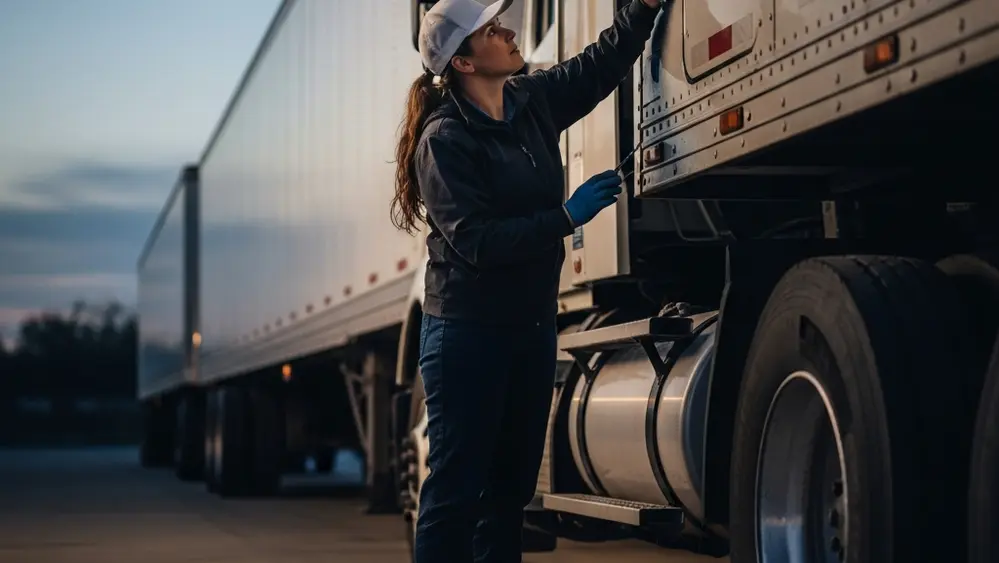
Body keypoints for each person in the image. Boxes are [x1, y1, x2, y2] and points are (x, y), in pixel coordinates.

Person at [390, 0, 664, 561]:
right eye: (490, 30)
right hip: (466, 335)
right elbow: (478, 243)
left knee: (510, 494)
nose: (508, 31)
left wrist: (642, 11)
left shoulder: (529, 100)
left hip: (530, 326)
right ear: (463, 63)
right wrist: (567, 217)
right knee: (455, 493)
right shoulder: (443, 140)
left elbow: (596, 67)